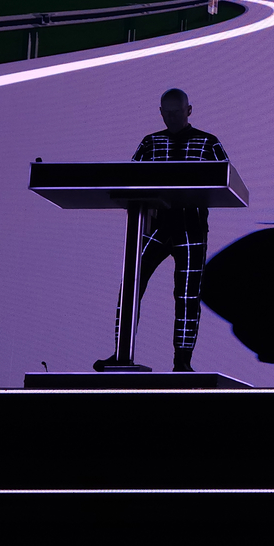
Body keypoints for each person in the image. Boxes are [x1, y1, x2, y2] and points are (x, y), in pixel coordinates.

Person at [96, 88, 228, 373]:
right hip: (153, 226)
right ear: (160, 113)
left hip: (191, 228)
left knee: (188, 295)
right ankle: (121, 354)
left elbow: (226, 178)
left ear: (189, 111)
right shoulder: (150, 143)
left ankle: (183, 361)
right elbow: (129, 180)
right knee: (131, 286)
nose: (171, 118)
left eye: (176, 112)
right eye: (166, 113)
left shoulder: (208, 143)